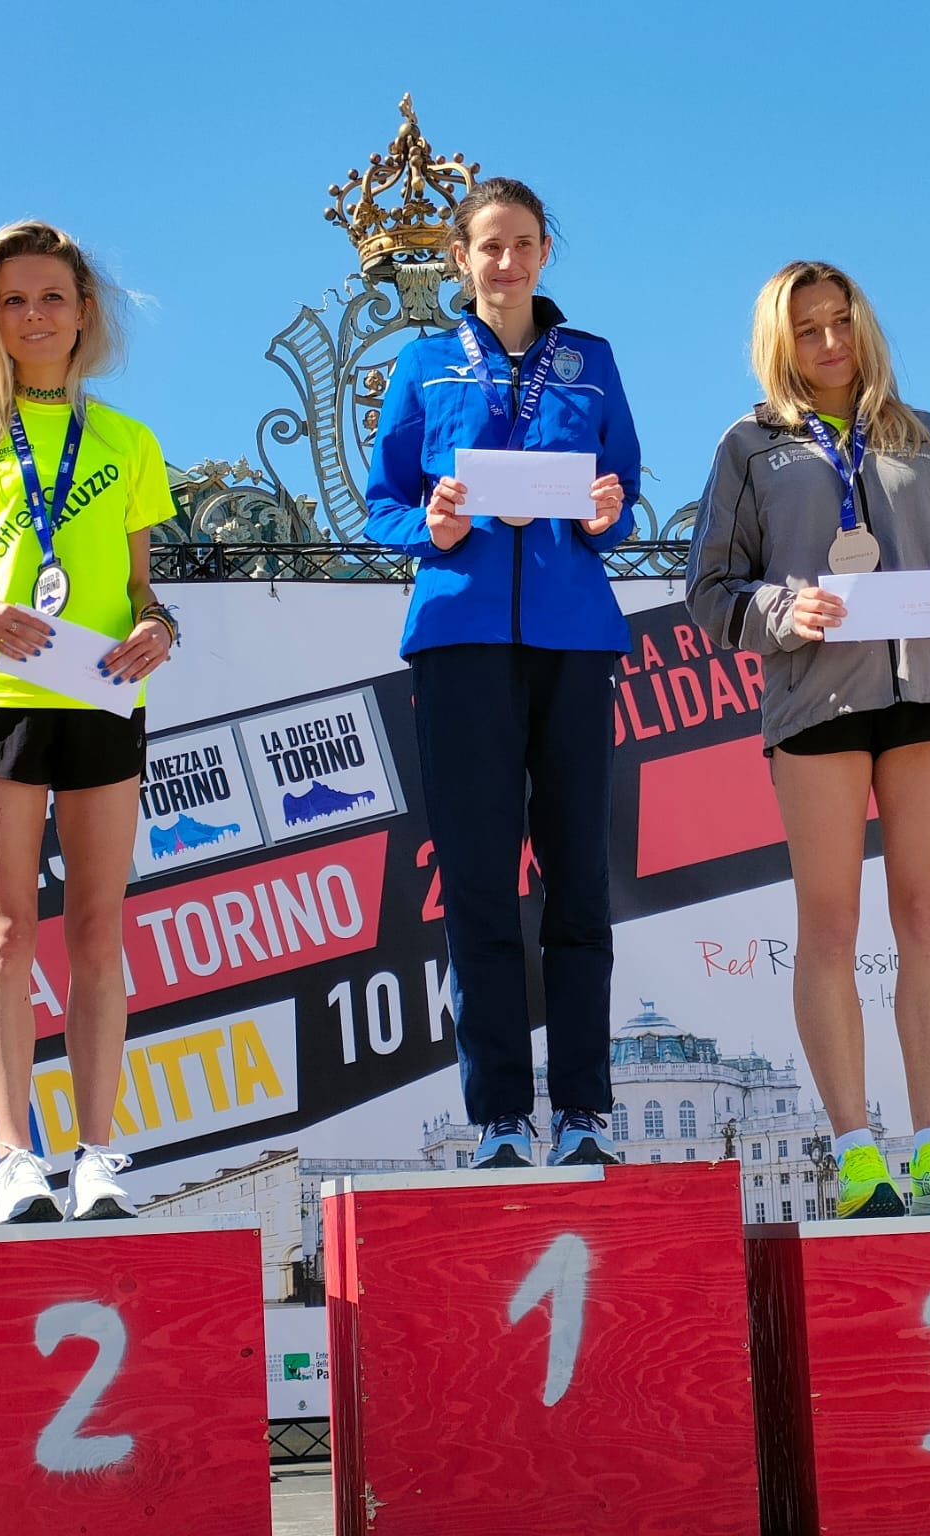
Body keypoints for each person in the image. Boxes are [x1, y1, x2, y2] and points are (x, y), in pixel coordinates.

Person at [685, 261, 930, 1219]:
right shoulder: (749, 445)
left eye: (841, 321)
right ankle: (857, 1154)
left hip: (927, 699)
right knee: (829, 926)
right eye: (808, 329)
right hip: (816, 705)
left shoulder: (929, 436)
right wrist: (784, 610)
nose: (830, 343)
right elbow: (711, 591)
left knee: (926, 918)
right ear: (779, 344)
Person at [364, 177, 638, 1169]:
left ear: (544, 252)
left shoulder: (591, 362)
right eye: (489, 245)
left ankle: (583, 1113)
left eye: (523, 243)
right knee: (478, 883)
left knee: (578, 881)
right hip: (459, 639)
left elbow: (621, 491)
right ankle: (499, 1122)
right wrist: (428, 526)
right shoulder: (424, 362)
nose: (507, 261)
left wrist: (607, 512)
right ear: (460, 258)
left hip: (573, 640)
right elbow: (383, 502)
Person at [0, 220, 179, 1223]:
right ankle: (15, 1158)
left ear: (84, 312)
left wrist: (158, 628)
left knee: (99, 927)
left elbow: (144, 590)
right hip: (0, 693)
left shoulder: (128, 441)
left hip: (103, 693)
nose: (34, 315)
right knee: (6, 927)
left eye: (52, 297)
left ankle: (98, 1153)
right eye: (14, 299)